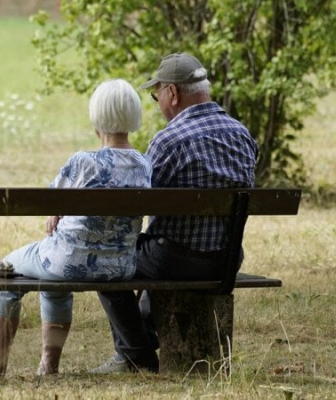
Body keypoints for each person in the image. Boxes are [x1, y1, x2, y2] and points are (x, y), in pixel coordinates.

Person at [91, 53, 258, 373]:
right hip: (226, 261)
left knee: (106, 258)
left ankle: (135, 354)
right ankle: (141, 341)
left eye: (156, 96)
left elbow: (138, 205)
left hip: (176, 261)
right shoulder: (242, 134)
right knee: (158, 247)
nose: (157, 103)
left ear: (172, 93)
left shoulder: (168, 141)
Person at [0, 79, 153, 377]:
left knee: (6, 270)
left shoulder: (83, 162)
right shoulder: (144, 164)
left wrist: (57, 211)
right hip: (119, 268)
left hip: (67, 262)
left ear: (96, 118)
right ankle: (48, 366)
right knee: (53, 279)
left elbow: (50, 202)